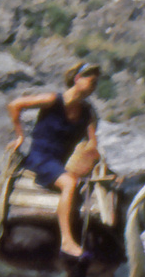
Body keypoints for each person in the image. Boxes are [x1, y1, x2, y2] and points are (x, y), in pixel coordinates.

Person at [7, 60, 103, 259]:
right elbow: (15, 105)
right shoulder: (53, 100)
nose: (93, 87)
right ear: (77, 79)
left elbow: (92, 146)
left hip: (59, 163)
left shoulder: (88, 114)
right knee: (69, 183)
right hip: (39, 158)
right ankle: (67, 241)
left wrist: (103, 167)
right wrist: (19, 136)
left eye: (95, 84)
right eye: (90, 81)